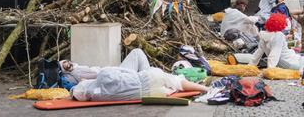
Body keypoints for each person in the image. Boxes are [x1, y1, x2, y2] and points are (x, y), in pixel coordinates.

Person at [70, 49, 209, 101]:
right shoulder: (103, 75)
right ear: (83, 82)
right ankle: (207, 90)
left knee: (173, 86)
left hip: (150, 93)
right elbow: (126, 72)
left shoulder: (96, 96)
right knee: (175, 81)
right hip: (146, 78)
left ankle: (203, 88)